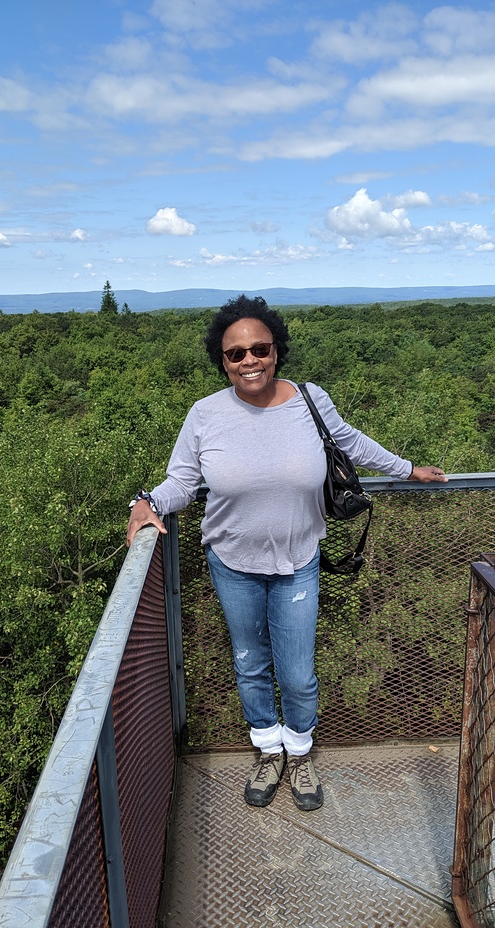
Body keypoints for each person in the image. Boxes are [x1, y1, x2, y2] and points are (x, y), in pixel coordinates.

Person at [127, 295, 448, 813]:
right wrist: (146, 503)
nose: (249, 360)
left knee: (297, 672)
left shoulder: (310, 399)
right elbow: (183, 482)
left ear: (277, 351)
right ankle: (267, 748)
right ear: (222, 361)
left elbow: (350, 443)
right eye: (236, 354)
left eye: (260, 348)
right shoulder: (205, 414)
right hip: (231, 562)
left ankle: (299, 752)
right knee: (251, 661)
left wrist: (407, 468)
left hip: (299, 560)